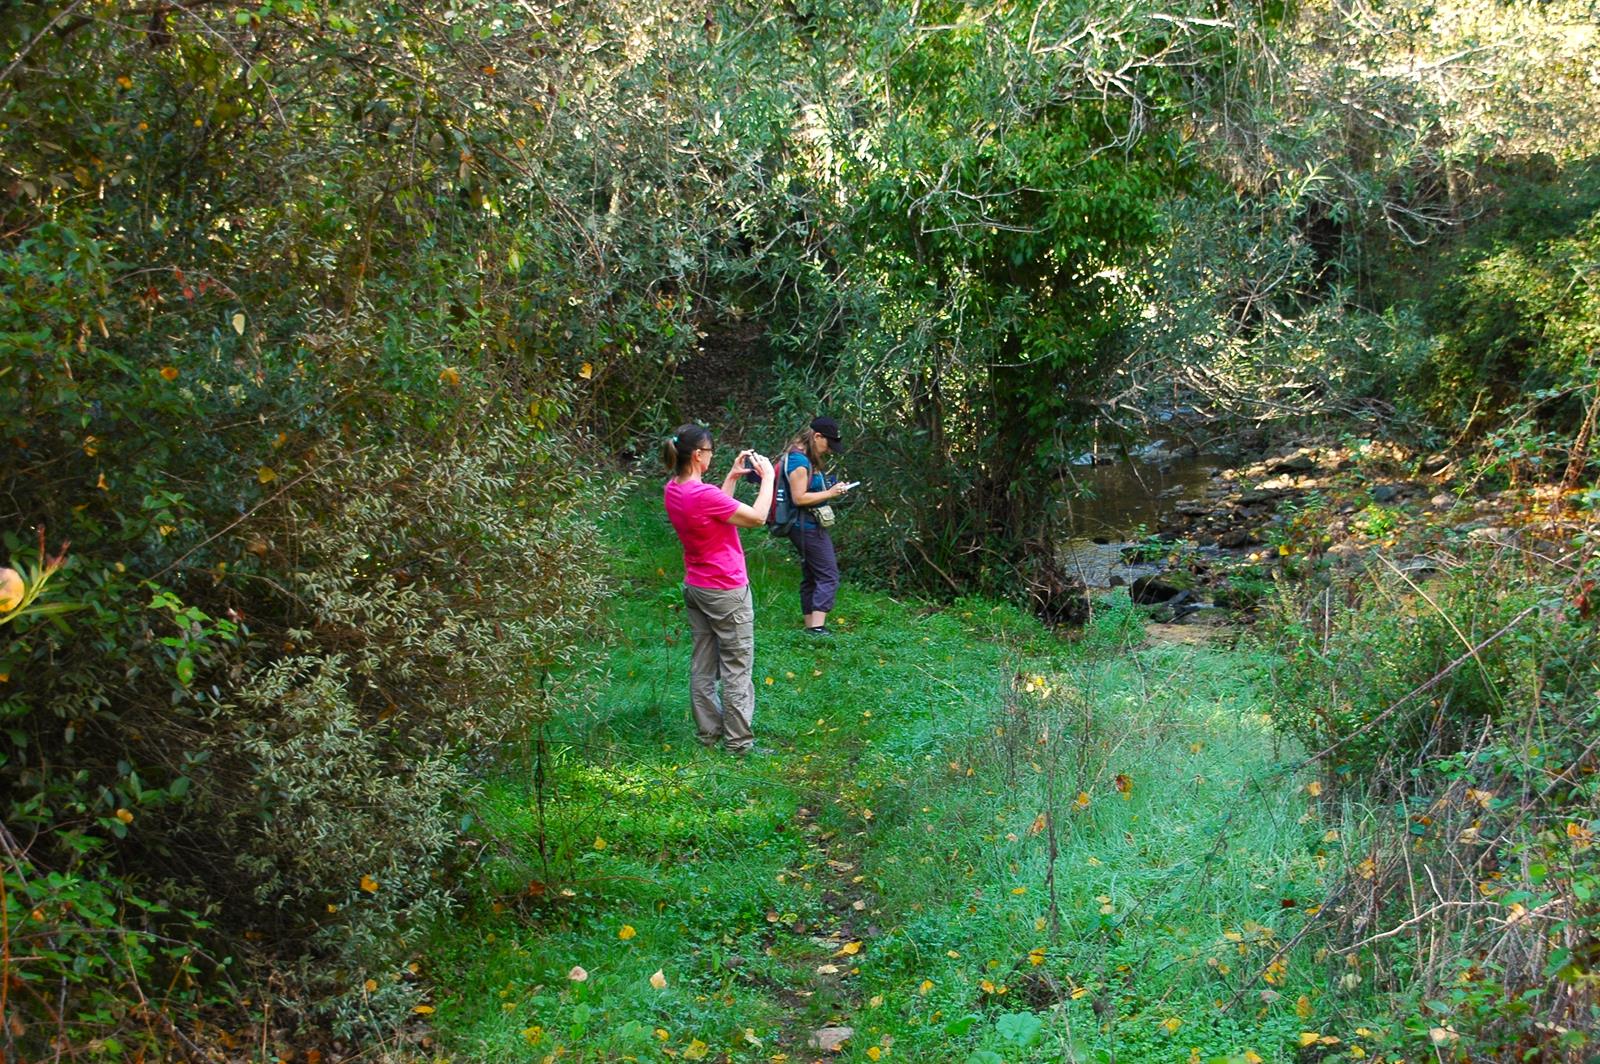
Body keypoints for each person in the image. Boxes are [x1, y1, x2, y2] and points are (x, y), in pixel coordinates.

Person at [661, 423, 775, 755]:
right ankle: (739, 744)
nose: (711, 456)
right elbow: (755, 518)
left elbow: (717, 512)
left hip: (697, 587)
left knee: (702, 665)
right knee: (736, 668)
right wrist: (767, 478)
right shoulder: (702, 494)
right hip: (726, 590)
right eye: (710, 451)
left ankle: (708, 735)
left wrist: (733, 477)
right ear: (698, 455)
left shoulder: (675, 489)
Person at [781, 416, 853, 636]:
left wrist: (830, 488)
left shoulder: (803, 457)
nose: (830, 450)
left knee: (812, 573)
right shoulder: (799, 461)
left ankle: (811, 625)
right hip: (805, 525)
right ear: (817, 436)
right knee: (828, 574)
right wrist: (830, 493)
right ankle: (818, 628)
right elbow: (799, 498)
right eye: (828, 444)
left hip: (805, 524)